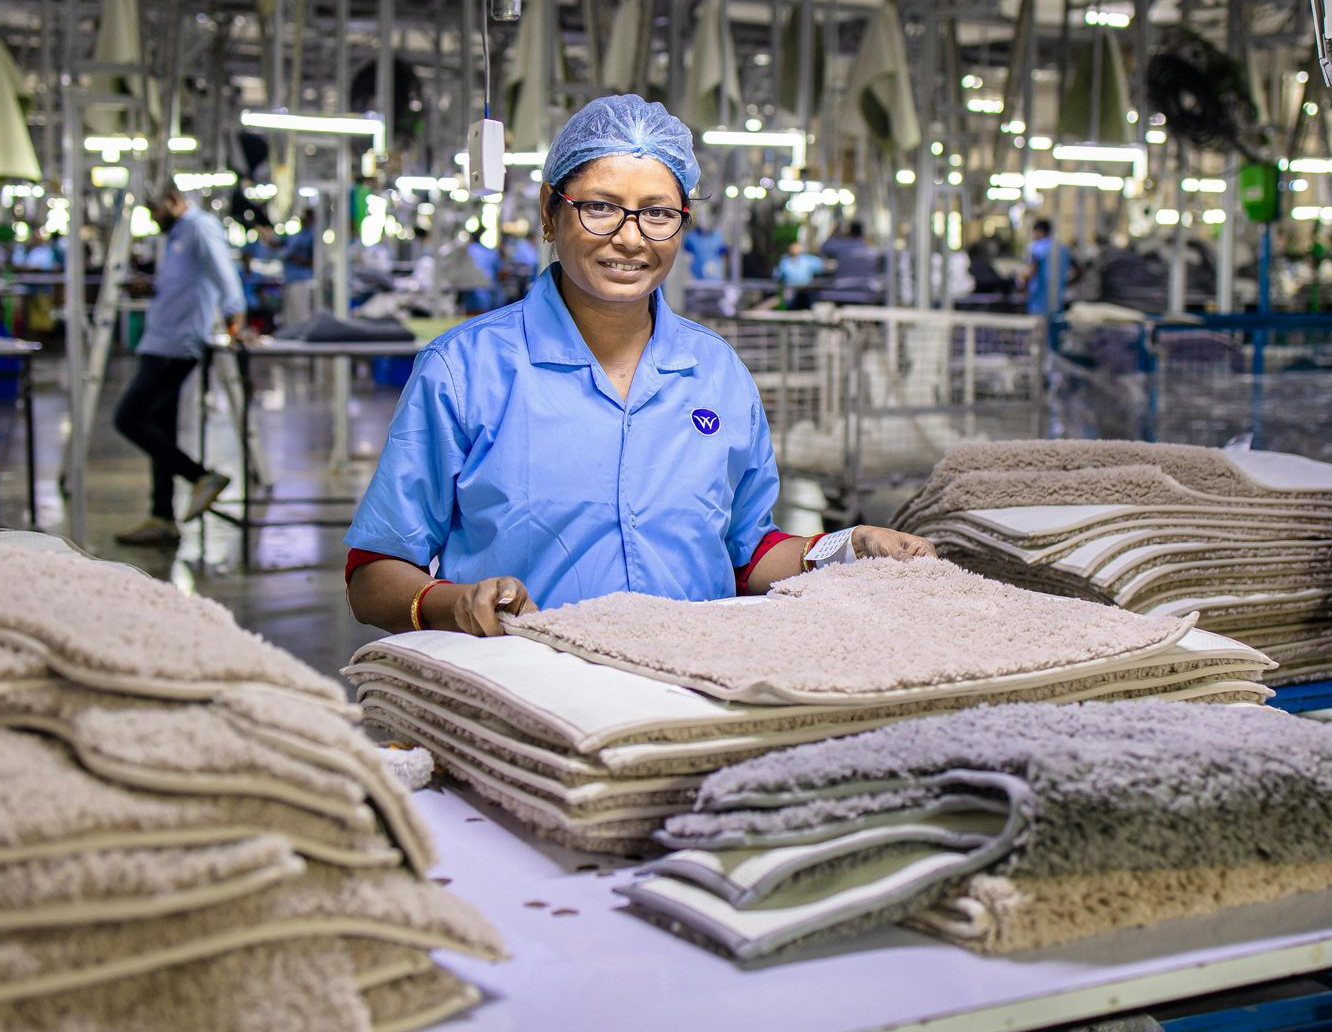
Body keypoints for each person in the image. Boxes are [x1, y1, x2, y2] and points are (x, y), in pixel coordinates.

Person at [341, 94, 935, 636]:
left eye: (657, 212)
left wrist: (845, 547)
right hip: (524, 690)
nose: (630, 239)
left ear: (682, 222)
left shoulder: (717, 373)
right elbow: (374, 573)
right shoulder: (465, 371)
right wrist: (452, 603)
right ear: (551, 212)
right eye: (600, 208)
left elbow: (747, 551)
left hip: (693, 684)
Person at [111, 184, 244, 547]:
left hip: (176, 345)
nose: (153, 217)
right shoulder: (175, 236)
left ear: (173, 201)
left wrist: (235, 311)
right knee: (161, 431)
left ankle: (201, 476)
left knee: (128, 418)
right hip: (159, 339)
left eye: (156, 209)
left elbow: (223, 271)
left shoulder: (200, 227)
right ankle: (162, 517)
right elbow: (185, 282)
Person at [1024, 219, 1069, 317]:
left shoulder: (1036, 247)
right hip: (1058, 298)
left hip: (1039, 298)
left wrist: (1021, 281)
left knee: (1038, 327)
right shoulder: (1062, 248)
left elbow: (1032, 271)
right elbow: (1077, 270)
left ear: (1039, 231)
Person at [772, 240, 824, 309]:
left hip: (806, 288)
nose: (795, 250)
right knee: (789, 298)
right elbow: (777, 275)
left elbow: (820, 266)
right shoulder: (785, 262)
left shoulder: (808, 259)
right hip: (791, 288)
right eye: (793, 248)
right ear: (789, 250)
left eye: (797, 248)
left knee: (810, 299)